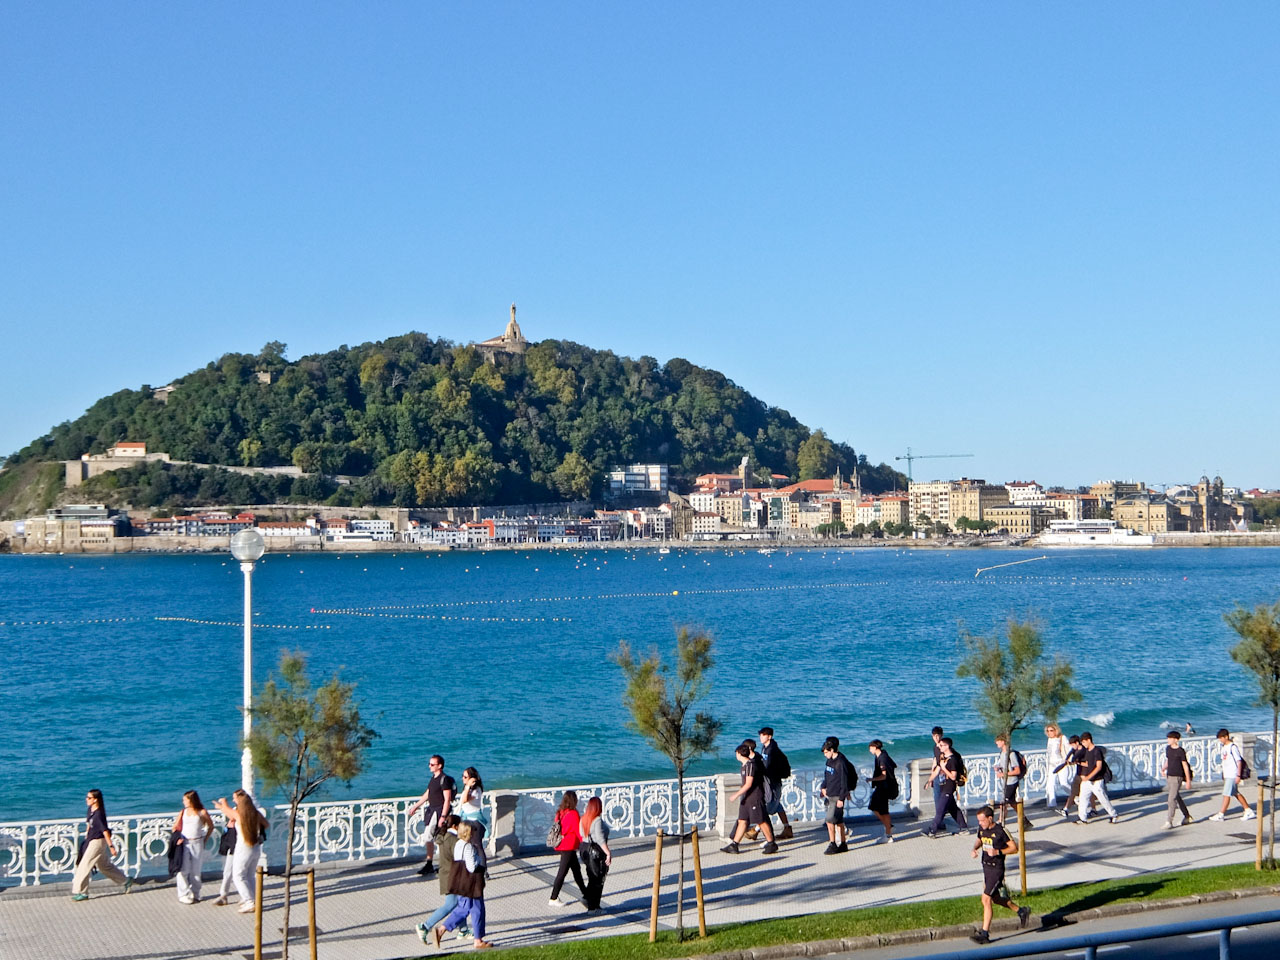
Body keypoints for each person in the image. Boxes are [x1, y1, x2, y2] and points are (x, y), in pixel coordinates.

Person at [968, 805, 1031, 944]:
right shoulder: (982, 829)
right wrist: (974, 848)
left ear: (990, 818)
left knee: (985, 899)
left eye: (982, 820)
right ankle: (1021, 911)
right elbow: (980, 839)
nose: (980, 823)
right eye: (978, 821)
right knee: (995, 898)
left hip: (996, 869)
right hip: (986, 867)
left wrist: (998, 852)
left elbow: (1014, 848)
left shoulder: (1001, 831)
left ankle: (984, 934)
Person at [429, 821, 494, 950]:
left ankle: (441, 931)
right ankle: (478, 940)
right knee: (478, 910)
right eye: (473, 832)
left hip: (461, 883)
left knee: (462, 909)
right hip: (471, 884)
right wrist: (479, 863)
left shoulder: (458, 844)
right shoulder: (468, 847)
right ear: (468, 833)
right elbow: (471, 867)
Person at [70, 789, 133, 900]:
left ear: (95, 800)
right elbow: (89, 824)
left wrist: (111, 847)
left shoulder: (99, 814)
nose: (86, 799)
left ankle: (82, 892)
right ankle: (126, 881)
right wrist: (86, 838)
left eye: (89, 798)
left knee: (84, 865)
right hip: (91, 840)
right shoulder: (90, 809)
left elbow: (105, 831)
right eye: (87, 797)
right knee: (104, 866)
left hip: (98, 842)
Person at [416, 815, 470, 944]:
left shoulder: (443, 837)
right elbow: (458, 859)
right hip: (453, 876)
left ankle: (463, 930)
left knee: (458, 903)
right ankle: (425, 926)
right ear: (455, 826)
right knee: (451, 905)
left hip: (445, 874)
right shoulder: (454, 840)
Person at [215, 790, 268, 913]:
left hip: (243, 848)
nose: (234, 800)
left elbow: (227, 811)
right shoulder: (255, 814)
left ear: (240, 801)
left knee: (238, 875)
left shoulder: (239, 815)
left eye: (235, 798)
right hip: (255, 847)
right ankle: (254, 899)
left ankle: (249, 901)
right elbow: (266, 824)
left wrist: (222, 804)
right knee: (249, 875)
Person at [722, 740, 779, 855]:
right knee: (742, 820)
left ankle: (771, 843)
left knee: (760, 820)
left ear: (739, 754)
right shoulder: (744, 766)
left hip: (754, 798)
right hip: (746, 798)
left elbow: (749, 784)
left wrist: (736, 794)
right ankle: (734, 844)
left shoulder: (750, 766)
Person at [407, 755, 456, 877]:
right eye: (429, 764)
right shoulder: (433, 778)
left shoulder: (444, 780)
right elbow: (428, 793)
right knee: (437, 838)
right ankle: (432, 863)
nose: (429, 766)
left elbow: (447, 799)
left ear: (440, 766)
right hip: (432, 811)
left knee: (430, 837)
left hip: (439, 812)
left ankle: (442, 863)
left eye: (432, 764)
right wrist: (416, 806)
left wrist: (443, 816)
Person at [172, 790, 215, 904]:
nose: (183, 801)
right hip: (185, 843)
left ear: (191, 800)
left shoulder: (202, 812)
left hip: (197, 842)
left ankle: (196, 893)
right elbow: (175, 827)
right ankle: (183, 894)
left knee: (196, 870)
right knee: (183, 869)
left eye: (185, 799)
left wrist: (205, 839)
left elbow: (211, 826)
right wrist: (178, 837)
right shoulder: (183, 812)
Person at [548, 790, 587, 906]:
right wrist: (584, 843)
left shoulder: (560, 812)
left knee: (576, 871)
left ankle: (586, 894)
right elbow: (578, 831)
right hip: (569, 846)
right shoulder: (573, 814)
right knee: (562, 873)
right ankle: (553, 898)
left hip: (562, 844)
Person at [1209, 728, 1255, 822]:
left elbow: (1239, 761)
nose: (1220, 740)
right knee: (1235, 793)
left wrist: (1238, 775)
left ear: (1226, 737)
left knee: (1226, 794)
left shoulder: (1232, 747)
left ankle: (1221, 814)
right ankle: (1248, 810)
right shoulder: (1224, 747)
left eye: (1221, 738)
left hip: (1232, 774)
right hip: (1227, 774)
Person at [925, 738, 968, 837]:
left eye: (941, 745)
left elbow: (953, 776)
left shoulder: (953, 760)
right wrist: (929, 780)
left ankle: (932, 830)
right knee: (953, 809)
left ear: (947, 746)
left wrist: (944, 768)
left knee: (940, 810)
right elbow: (936, 771)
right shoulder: (943, 758)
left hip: (949, 787)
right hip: (942, 786)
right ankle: (964, 827)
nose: (939, 747)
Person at [818, 736, 854, 854]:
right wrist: (823, 787)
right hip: (830, 794)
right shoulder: (829, 761)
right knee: (838, 821)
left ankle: (833, 843)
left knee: (829, 820)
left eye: (826, 751)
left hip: (838, 796)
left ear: (832, 750)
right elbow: (827, 776)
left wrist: (842, 798)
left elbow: (844, 781)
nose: (825, 754)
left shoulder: (841, 762)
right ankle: (843, 844)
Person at [757, 727, 794, 840]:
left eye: (763, 735)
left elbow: (768, 766)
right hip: (769, 780)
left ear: (769, 736)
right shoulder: (765, 747)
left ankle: (757, 830)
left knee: (768, 804)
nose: (761, 737)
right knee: (776, 804)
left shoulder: (772, 750)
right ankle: (787, 828)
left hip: (773, 781)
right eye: (760, 735)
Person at [1075, 732, 1118, 825]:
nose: (1083, 745)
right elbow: (1088, 764)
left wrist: (1088, 777)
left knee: (1103, 798)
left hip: (1097, 780)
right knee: (1083, 798)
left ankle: (1113, 814)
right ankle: (1082, 818)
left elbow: (1098, 766)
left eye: (1084, 742)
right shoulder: (1087, 751)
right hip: (1087, 781)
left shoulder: (1097, 751)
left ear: (1088, 740)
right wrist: (1078, 763)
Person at [579, 796, 612, 912]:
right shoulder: (596, 820)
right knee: (597, 878)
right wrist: (608, 853)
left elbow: (581, 833)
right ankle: (593, 907)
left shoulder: (583, 818)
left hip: (584, 848)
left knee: (592, 876)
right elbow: (600, 839)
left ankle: (589, 899)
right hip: (595, 851)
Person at [993, 736, 1032, 829]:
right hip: (1006, 782)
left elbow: (1017, 771)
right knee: (1011, 802)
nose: (996, 743)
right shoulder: (1002, 753)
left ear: (1003, 741)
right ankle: (1025, 820)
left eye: (998, 741)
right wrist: (998, 768)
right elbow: (1005, 766)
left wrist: (1003, 774)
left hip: (1012, 782)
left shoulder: (1011, 754)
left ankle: (1001, 821)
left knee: (1004, 802)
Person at [1161, 730, 1194, 828]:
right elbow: (1168, 760)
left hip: (1177, 777)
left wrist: (1188, 781)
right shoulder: (1168, 749)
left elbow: (1185, 766)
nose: (1168, 740)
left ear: (1176, 740)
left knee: (1171, 799)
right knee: (1176, 797)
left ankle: (1169, 821)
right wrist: (1163, 768)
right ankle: (1187, 816)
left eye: (1170, 738)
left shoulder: (1180, 751)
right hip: (1169, 775)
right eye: (1168, 738)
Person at [868, 740, 898, 843]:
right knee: (874, 807)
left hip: (885, 788)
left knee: (883, 811)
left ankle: (888, 834)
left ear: (875, 747)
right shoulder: (880, 756)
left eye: (871, 747)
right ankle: (888, 827)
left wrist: (872, 780)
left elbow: (884, 775)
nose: (869, 749)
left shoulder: (882, 758)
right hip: (881, 787)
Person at [456, 767, 489, 844]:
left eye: (465, 777)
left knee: (477, 845)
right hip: (466, 819)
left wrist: (467, 786)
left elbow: (464, 800)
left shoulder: (476, 790)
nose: (463, 778)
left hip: (474, 820)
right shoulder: (469, 789)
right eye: (462, 776)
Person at [1044, 723, 1071, 809]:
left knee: (1064, 783)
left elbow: (1069, 750)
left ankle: (1076, 796)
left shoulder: (1062, 738)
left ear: (1056, 730)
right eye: (1047, 731)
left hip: (1061, 764)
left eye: (1051, 730)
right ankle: (1051, 804)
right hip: (1052, 765)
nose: (1049, 733)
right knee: (1050, 785)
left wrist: (1068, 760)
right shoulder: (1049, 740)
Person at [926, 726, 946, 821]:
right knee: (938, 798)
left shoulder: (944, 747)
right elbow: (935, 760)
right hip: (937, 774)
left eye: (938, 736)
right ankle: (939, 821)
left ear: (941, 736)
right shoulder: (935, 747)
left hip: (943, 775)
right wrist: (932, 775)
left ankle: (939, 821)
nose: (936, 738)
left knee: (941, 799)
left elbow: (943, 762)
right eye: (934, 736)